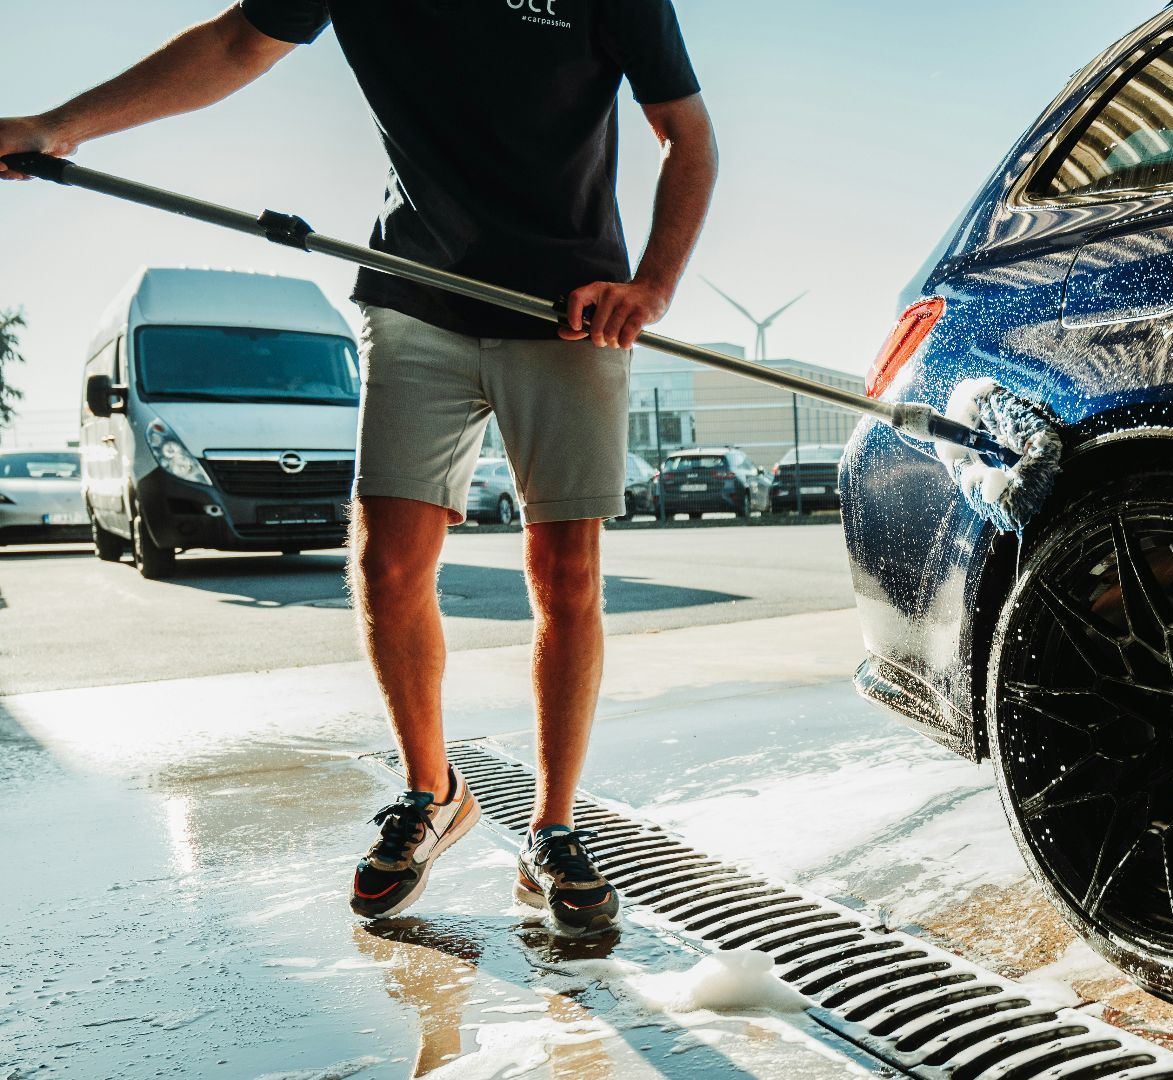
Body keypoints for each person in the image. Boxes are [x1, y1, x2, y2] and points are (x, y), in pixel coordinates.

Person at [0, 1, 719, 936]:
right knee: (387, 564)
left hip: (570, 306)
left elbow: (687, 133)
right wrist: (53, 128)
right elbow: (232, 45)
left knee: (567, 573)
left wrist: (653, 282)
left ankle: (552, 829)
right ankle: (432, 792)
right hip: (416, 291)